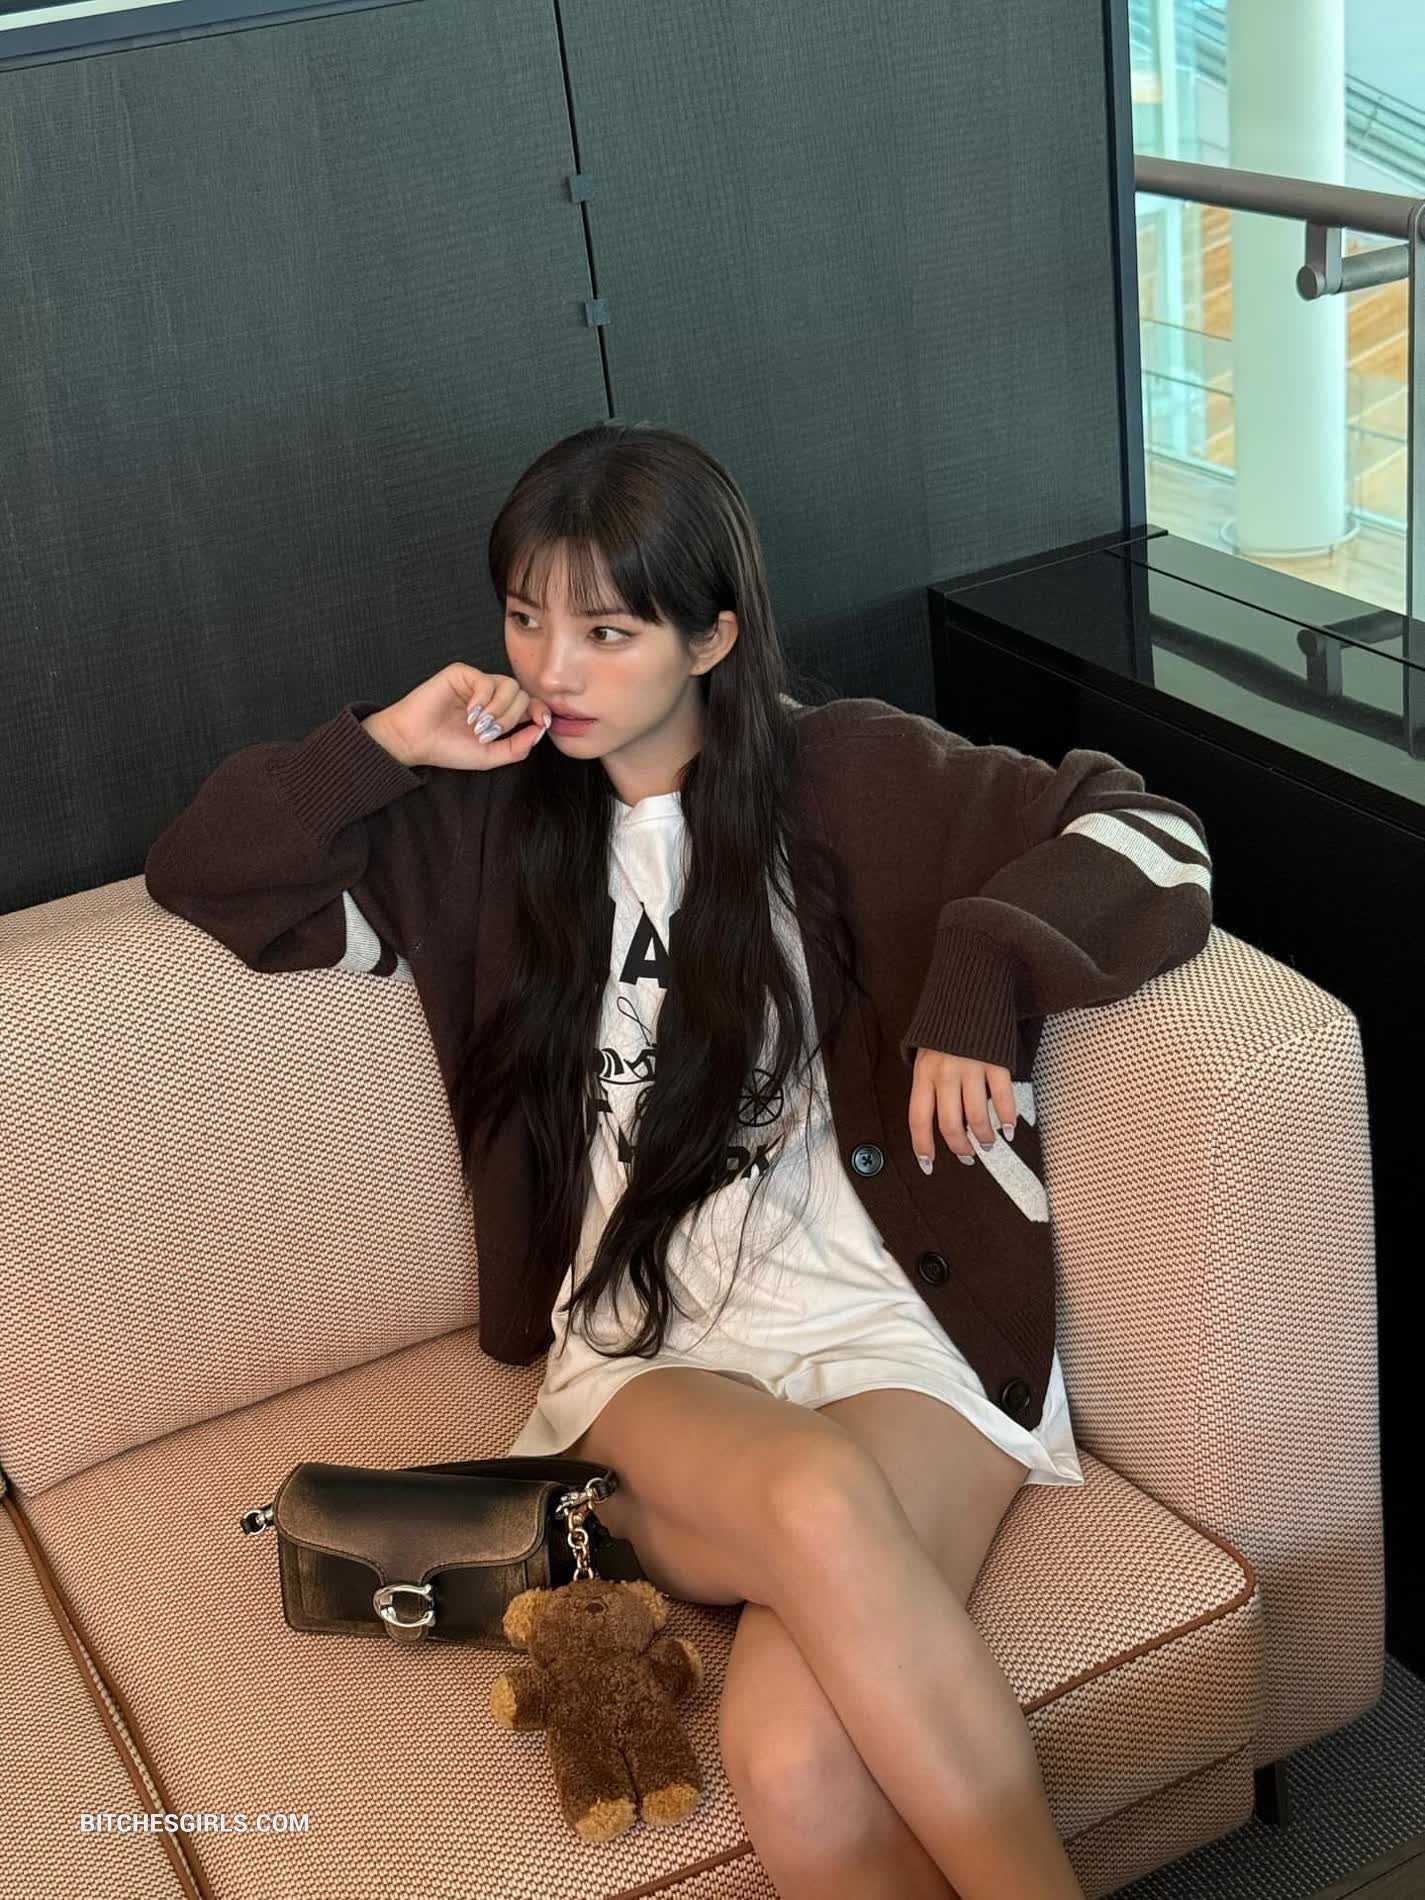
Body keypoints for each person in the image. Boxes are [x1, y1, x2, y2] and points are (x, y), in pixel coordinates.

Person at [147, 422, 1213, 1899]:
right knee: (813, 1500)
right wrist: (385, 744)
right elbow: (207, 871)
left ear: (712, 637)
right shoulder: (480, 829)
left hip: (896, 1326)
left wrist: (984, 969)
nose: (554, 669)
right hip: (656, 1353)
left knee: (791, 1758)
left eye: (608, 630)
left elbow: (1155, 836)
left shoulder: (855, 774)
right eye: (526, 619)